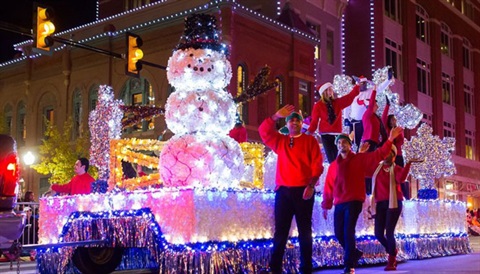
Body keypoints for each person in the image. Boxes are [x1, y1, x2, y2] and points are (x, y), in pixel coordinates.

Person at [321, 126, 403, 274]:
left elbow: (378, 155)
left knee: (348, 231)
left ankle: (349, 266)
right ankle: (354, 253)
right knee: (338, 233)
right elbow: (328, 186)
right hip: (339, 203)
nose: (341, 145)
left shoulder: (359, 159)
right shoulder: (333, 166)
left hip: (354, 201)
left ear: (349, 145)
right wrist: (326, 204)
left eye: (344, 142)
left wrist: (390, 139)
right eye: (339, 143)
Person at [259, 104, 324, 274]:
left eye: (297, 120)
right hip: (283, 192)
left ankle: (306, 268)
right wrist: (274, 116)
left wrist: (311, 185)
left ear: (302, 123)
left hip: (304, 191)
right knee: (280, 231)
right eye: (291, 120)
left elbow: (317, 165)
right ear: (286, 124)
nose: (294, 122)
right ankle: (275, 269)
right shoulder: (281, 140)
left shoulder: (310, 141)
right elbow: (263, 131)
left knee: (305, 231)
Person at [368, 145, 422, 271]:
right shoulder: (377, 169)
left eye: (389, 153)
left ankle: (391, 260)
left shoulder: (396, 169)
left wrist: (408, 164)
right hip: (380, 203)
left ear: (393, 155)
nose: (386, 155)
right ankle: (392, 250)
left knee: (389, 232)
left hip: (394, 203)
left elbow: (401, 178)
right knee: (378, 234)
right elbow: (364, 170)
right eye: (384, 153)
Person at [306, 82, 361, 163]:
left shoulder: (337, 103)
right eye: (328, 89)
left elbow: (349, 97)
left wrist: (358, 86)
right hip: (326, 135)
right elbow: (314, 122)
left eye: (331, 89)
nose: (331, 91)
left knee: (338, 158)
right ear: (323, 92)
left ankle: (339, 173)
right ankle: (334, 174)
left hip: (337, 135)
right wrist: (308, 132)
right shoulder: (318, 105)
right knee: (331, 160)